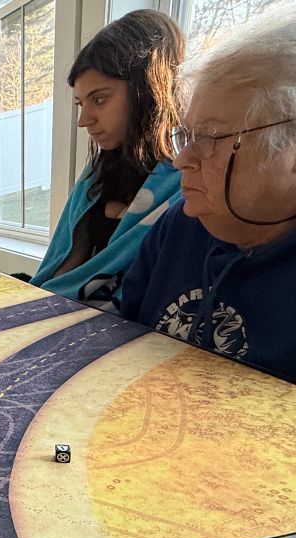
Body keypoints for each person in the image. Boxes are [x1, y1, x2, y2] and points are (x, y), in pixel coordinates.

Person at [121, 7, 296, 383]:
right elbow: (122, 337)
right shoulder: (180, 224)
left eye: (212, 138)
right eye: (187, 135)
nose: (182, 159)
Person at [30, 11, 184, 310]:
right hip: (68, 316)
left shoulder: (186, 181)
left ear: (147, 92)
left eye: (99, 99)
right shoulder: (98, 171)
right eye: (80, 103)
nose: (84, 120)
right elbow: (66, 265)